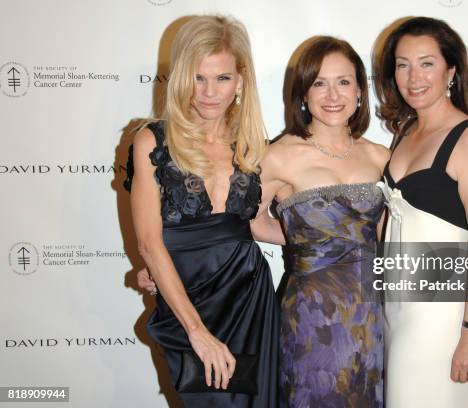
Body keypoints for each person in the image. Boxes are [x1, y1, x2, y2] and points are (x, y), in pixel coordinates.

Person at [124, 15, 278, 407]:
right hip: (186, 301)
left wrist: (327, 247)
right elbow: (148, 241)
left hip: (249, 300)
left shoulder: (254, 146)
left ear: (241, 81)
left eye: (222, 78)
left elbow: (259, 224)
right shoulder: (152, 141)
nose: (209, 92)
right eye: (198, 77)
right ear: (180, 78)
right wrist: (197, 331)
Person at [373, 17, 468, 407]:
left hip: (437, 318)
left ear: (451, 70)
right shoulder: (406, 132)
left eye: (427, 63)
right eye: (402, 64)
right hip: (394, 308)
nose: (414, 77)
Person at [258, 36, 389, 408]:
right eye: (319, 83)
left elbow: (387, 235)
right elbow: (249, 224)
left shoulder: (380, 157)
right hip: (311, 318)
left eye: (344, 82)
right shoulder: (279, 156)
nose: (333, 95)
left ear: (361, 92)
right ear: (303, 92)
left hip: (369, 315)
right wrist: (311, 247)